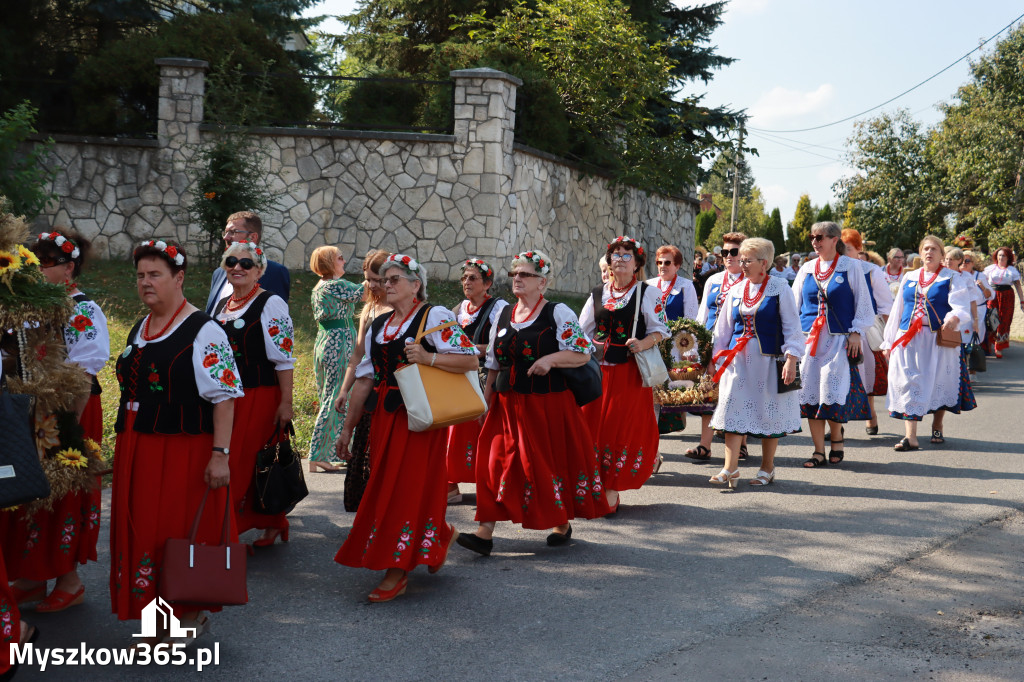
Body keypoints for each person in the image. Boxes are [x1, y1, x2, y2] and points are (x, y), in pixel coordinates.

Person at [111, 240, 243, 641]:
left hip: (181, 449)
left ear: (179, 278)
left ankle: (184, 612)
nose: (146, 283)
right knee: (141, 527)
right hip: (137, 444)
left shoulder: (205, 331)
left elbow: (224, 398)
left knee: (172, 527)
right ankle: (154, 613)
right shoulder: (142, 325)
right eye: (140, 276)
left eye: (155, 275)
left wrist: (220, 455)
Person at [335, 254, 478, 602]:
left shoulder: (436, 316)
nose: (387, 285)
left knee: (407, 489)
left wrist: (428, 357)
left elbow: (471, 359)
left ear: (416, 285)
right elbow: (366, 380)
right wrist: (347, 429)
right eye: (384, 280)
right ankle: (439, 534)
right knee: (385, 485)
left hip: (420, 419)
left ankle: (397, 570)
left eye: (395, 279)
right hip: (385, 419)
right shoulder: (379, 326)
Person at [458, 250, 608, 557]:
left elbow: (582, 352)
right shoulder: (503, 314)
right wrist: (484, 404)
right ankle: (485, 532)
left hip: (547, 405)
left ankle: (561, 523)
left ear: (542, 283)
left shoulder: (557, 312)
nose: (517, 280)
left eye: (524, 275)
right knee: (495, 464)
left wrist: (550, 359)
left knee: (546, 465)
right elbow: (494, 364)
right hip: (506, 405)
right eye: (515, 275)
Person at [0, 230, 109, 614]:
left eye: (47, 263)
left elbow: (84, 371)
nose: (38, 270)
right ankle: (32, 576)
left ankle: (69, 580)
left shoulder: (81, 309)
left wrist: (70, 428)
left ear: (69, 268)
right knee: (29, 490)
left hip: (66, 411)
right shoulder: (26, 309)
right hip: (29, 413)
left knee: (63, 491)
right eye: (34, 261)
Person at [212, 240, 296, 546]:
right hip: (226, 397)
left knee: (241, 464)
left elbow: (284, 358)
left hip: (258, 397)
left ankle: (223, 535)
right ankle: (272, 520)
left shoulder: (270, 303)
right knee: (232, 461)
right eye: (231, 262)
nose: (237, 268)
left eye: (246, 263)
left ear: (259, 270)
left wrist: (286, 403)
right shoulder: (224, 305)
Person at [580, 237, 669, 510]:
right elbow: (580, 331)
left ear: (637, 263)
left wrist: (643, 343)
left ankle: (611, 487)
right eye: (615, 254)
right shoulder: (598, 293)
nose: (618, 258)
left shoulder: (647, 292)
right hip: (598, 373)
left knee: (619, 430)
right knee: (592, 427)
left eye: (626, 254)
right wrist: (585, 348)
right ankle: (591, 484)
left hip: (629, 374)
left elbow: (661, 330)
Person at [708, 238, 802, 487]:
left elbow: (793, 327)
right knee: (731, 410)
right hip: (738, 362)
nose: (742, 263)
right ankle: (730, 468)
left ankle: (767, 468)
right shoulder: (737, 289)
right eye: (741, 259)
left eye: (747, 260)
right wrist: (716, 359)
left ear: (764, 263)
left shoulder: (780, 288)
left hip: (768, 362)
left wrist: (791, 359)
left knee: (768, 412)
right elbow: (723, 328)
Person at [793, 222, 874, 468]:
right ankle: (818, 450)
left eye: (820, 237)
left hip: (839, 339)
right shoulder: (806, 269)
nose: (815, 242)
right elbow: (793, 304)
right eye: (812, 237)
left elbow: (863, 302)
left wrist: (856, 332)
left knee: (832, 391)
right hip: (810, 341)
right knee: (811, 395)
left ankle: (836, 438)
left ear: (834, 239)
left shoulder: (851, 266)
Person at [883, 236, 972, 450]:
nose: (929, 253)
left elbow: (961, 305)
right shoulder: (910, 277)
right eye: (925, 249)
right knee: (908, 382)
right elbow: (898, 309)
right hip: (908, 338)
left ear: (942, 254)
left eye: (934, 249)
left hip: (936, 339)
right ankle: (910, 437)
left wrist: (953, 318)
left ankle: (937, 423)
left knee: (937, 380)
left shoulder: (952, 277)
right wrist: (888, 341)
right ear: (920, 253)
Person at [445, 259, 508, 504]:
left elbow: (502, 343)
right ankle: (450, 485)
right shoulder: (459, 309)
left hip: (486, 376)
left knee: (487, 429)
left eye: (473, 278)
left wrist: (473, 349)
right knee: (455, 429)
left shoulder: (498, 307)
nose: (467, 282)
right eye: (464, 278)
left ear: (487, 284)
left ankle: (491, 482)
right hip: (461, 376)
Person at [335, 250, 391, 512]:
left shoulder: (398, 308)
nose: (371, 285)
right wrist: (345, 389)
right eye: (368, 279)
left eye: (377, 280)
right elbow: (358, 354)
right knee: (364, 455)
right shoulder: (370, 308)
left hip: (389, 392)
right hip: (366, 390)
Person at [688, 232, 748, 462]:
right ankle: (705, 446)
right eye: (725, 252)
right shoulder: (713, 279)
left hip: (737, 345)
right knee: (708, 393)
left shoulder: (749, 280)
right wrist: (697, 344)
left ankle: (741, 443)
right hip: (711, 343)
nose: (729, 256)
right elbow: (703, 314)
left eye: (734, 252)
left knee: (737, 394)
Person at [307, 245, 363, 472]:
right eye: (339, 257)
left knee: (329, 395)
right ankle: (318, 453)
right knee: (337, 395)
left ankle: (333, 450)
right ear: (329, 263)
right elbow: (366, 291)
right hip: (338, 343)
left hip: (325, 340)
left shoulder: (321, 285)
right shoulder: (335, 285)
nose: (343, 260)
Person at [842, 228, 893, 436]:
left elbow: (885, 305)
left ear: (859, 249)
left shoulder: (871, 270)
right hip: (839, 329)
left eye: (848, 249)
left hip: (867, 328)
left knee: (867, 373)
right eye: (840, 248)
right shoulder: (833, 269)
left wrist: (891, 338)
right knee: (838, 376)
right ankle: (837, 424)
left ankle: (871, 413)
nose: (843, 253)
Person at [647, 244, 697, 436]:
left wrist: (688, 349)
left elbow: (690, 320)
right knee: (652, 386)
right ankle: (651, 428)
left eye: (667, 262)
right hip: (652, 343)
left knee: (669, 387)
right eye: (659, 262)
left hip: (676, 345)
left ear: (677, 266)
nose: (662, 266)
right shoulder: (649, 285)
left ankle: (667, 425)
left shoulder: (685, 286)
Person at [205, 211, 290, 314]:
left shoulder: (274, 272)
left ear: (253, 237)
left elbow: (277, 317)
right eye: (225, 232)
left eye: (233, 232)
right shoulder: (219, 273)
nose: (226, 237)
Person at [983, 246, 1024, 359]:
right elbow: (983, 283)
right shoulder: (990, 269)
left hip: (1007, 296)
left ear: (1008, 258)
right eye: (999, 255)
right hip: (992, 295)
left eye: (1004, 255)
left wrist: (1022, 301)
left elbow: (1018, 287)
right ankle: (989, 342)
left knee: (1004, 320)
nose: (1001, 257)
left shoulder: (1012, 270)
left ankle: (999, 346)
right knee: (991, 319)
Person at [961, 250, 993, 360]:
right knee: (962, 338)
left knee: (975, 338)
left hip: (978, 311)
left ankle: (972, 369)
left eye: (967, 261)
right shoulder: (957, 275)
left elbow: (990, 295)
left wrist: (983, 287)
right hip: (963, 310)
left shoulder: (980, 276)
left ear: (973, 263)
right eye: (962, 260)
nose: (964, 263)